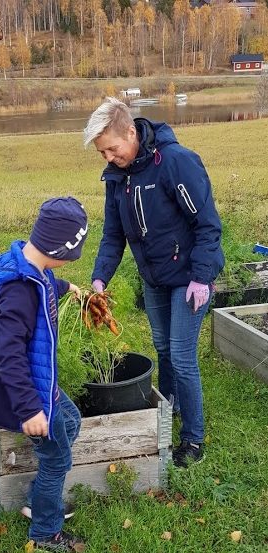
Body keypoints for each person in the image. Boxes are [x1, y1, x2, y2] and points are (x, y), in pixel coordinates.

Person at [84, 97, 224, 469]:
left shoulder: (175, 162)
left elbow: (208, 225)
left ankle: (193, 439)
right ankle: (171, 406)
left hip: (190, 276)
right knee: (162, 345)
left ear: (131, 132)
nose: (108, 158)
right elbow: (113, 235)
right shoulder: (118, 177)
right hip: (155, 276)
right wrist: (100, 277)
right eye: (102, 153)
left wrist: (202, 278)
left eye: (112, 149)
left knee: (181, 354)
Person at [0, 196, 88, 552]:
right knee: (57, 458)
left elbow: (44, 286)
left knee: (70, 421)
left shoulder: (31, 267)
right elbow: (9, 359)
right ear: (59, 249)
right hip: (23, 394)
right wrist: (29, 409)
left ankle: (39, 499)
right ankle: (45, 532)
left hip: (40, 382)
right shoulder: (17, 294)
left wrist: (68, 287)